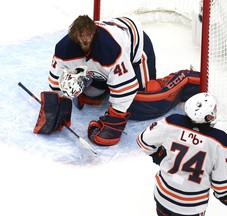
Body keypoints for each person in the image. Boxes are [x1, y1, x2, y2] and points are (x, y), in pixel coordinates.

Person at [46, 15, 201, 146]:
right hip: (106, 57)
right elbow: (56, 81)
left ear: (94, 32)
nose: (85, 40)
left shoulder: (110, 48)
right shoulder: (64, 48)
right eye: (81, 37)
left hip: (135, 46)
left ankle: (186, 79)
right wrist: (56, 106)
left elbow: (126, 88)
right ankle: (105, 84)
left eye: (88, 36)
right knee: (91, 95)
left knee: (141, 104)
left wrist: (114, 121)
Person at [137, 92, 227, 216]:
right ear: (207, 116)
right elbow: (221, 182)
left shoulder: (171, 122)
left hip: (163, 196)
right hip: (191, 206)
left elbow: (143, 141)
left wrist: (157, 154)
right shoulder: (220, 141)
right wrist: (226, 195)